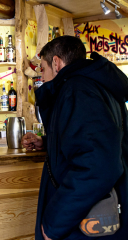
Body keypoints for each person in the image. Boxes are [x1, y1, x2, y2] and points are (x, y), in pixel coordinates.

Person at [22, 36, 128, 240]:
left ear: (56, 62)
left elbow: (96, 165)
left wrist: (54, 223)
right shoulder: (98, 85)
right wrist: (47, 142)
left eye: (42, 69)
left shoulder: (77, 89)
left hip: (85, 222)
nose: (41, 77)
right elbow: (100, 142)